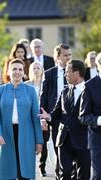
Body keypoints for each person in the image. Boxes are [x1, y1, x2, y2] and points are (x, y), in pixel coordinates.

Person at [0, 58, 43, 180]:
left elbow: (35, 117)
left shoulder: (30, 90)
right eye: (14, 69)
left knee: (24, 172)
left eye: (20, 69)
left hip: (27, 136)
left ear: (23, 72)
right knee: (6, 172)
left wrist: (39, 141)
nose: (17, 72)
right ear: (9, 72)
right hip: (5, 135)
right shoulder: (1, 90)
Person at [41, 60, 91, 180]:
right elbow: (56, 113)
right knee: (65, 174)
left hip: (84, 141)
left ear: (76, 73)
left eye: (67, 72)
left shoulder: (90, 91)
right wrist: (49, 117)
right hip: (64, 140)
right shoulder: (64, 91)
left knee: (84, 175)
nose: (65, 74)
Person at [41, 43, 72, 178]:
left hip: (73, 117)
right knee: (58, 148)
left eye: (70, 54)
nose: (68, 58)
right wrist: (44, 118)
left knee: (74, 148)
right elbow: (44, 96)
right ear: (57, 57)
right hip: (55, 117)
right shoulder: (49, 74)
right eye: (65, 55)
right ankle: (59, 175)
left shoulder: (77, 71)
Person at [79, 52, 101, 180]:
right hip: (98, 140)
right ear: (99, 66)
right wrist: (99, 120)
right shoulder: (89, 86)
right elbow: (83, 116)